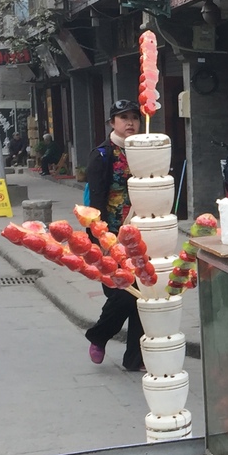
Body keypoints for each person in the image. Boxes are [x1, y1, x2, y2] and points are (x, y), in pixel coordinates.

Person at [84, 99, 144, 372]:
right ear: (112, 123)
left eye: (134, 117)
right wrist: (100, 241)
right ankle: (99, 335)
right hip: (111, 238)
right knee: (123, 295)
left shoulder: (145, 150)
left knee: (143, 297)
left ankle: (135, 358)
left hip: (142, 236)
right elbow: (94, 203)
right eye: (123, 118)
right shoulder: (102, 155)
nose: (130, 122)